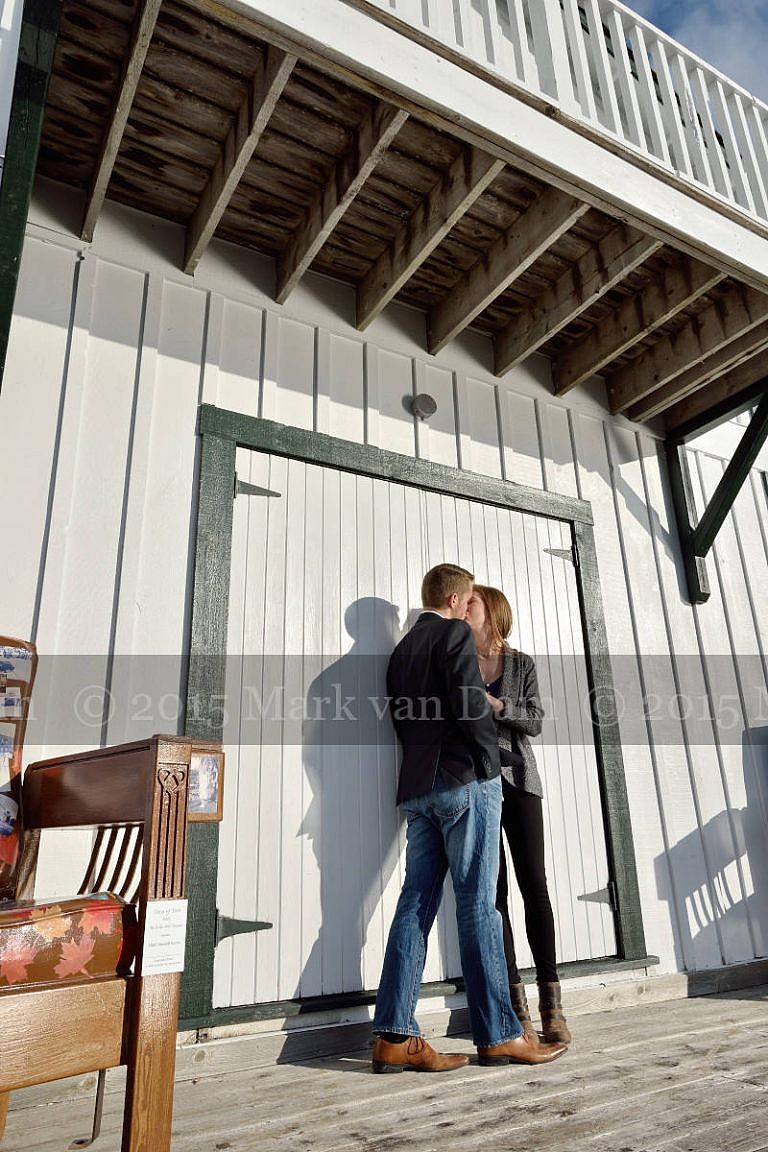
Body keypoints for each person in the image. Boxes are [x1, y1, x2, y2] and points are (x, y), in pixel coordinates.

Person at [371, 563, 567, 1072]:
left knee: (415, 903)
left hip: (418, 790)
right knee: (480, 906)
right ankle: (501, 1033)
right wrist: (486, 763)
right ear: (457, 600)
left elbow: (404, 721)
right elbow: (466, 703)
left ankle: (394, 1033)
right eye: (467, 599)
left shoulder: (400, 651)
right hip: (465, 781)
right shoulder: (454, 633)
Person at [466, 584, 572, 1045]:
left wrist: (498, 706)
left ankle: (553, 1005)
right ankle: (516, 1007)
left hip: (521, 784)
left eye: (474, 602)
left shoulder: (521, 663)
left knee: (535, 885)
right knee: (494, 896)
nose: (466, 606)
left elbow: (535, 720)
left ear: (492, 612)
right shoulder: (456, 660)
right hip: (477, 783)